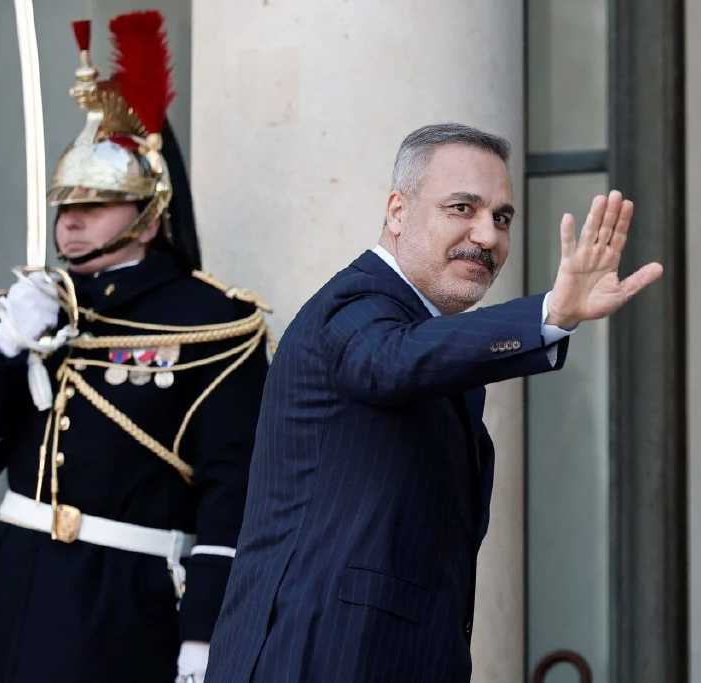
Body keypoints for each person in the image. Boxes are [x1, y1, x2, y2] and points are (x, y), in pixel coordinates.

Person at [205, 123, 663, 682]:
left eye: (502, 218)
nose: (487, 236)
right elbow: (390, 360)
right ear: (397, 212)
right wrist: (549, 314)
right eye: (461, 208)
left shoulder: (433, 337)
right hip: (315, 658)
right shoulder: (354, 307)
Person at [0, 12, 269, 683]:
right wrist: (4, 343)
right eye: (65, 206)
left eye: (96, 204)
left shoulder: (214, 323)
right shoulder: (36, 307)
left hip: (122, 609)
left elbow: (232, 498)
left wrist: (204, 638)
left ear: (150, 214)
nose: (72, 222)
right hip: (8, 596)